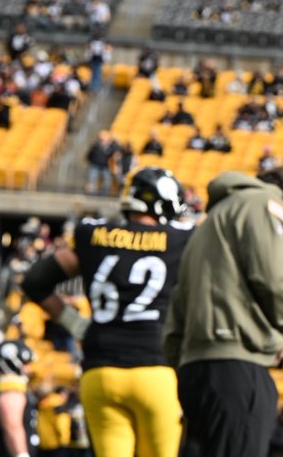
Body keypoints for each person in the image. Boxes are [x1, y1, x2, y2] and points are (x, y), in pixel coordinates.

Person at [22, 167, 194, 457]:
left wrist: (75, 323)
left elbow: (35, 281)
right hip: (154, 369)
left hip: (99, 370)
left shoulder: (95, 235)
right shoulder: (180, 239)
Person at [163, 168, 283, 457]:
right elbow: (275, 280)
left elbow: (178, 303)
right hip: (237, 364)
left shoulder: (208, 224)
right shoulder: (264, 204)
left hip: (195, 367)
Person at [0, 339, 35, 457]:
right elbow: (12, 427)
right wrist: (21, 454)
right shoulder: (10, 384)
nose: (28, 369)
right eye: (25, 363)